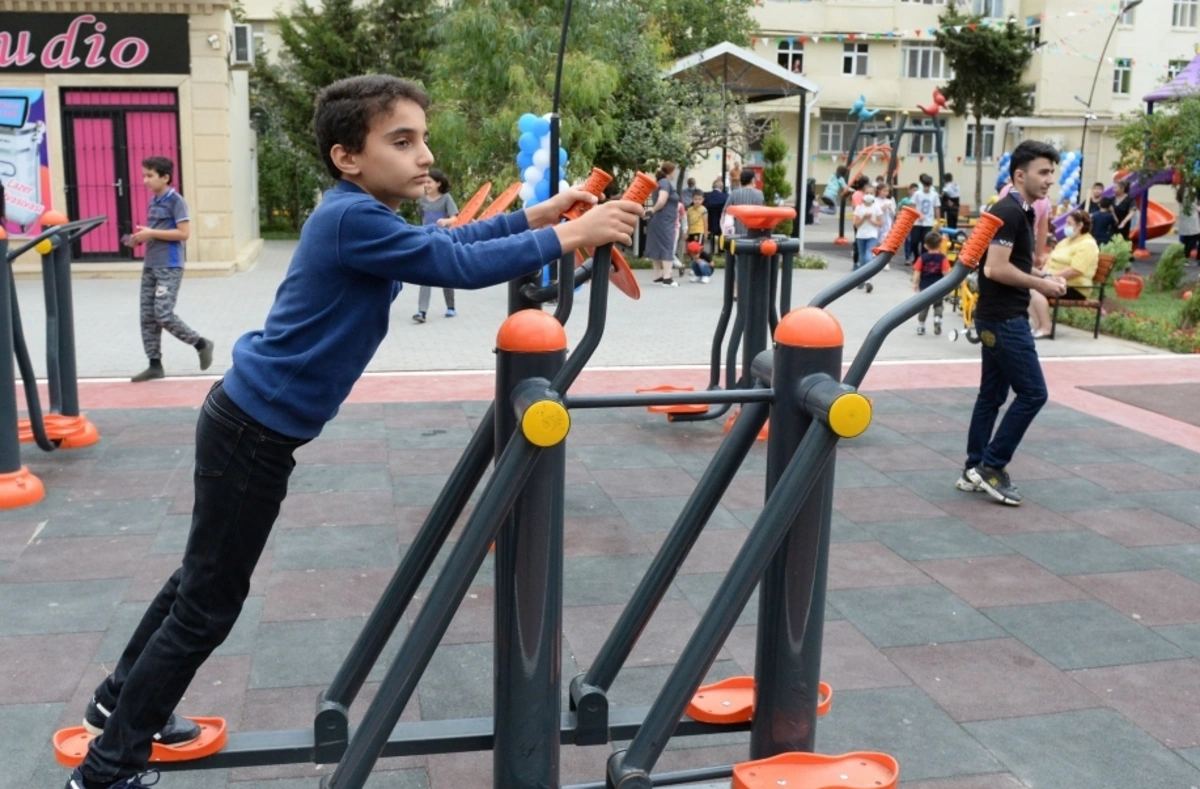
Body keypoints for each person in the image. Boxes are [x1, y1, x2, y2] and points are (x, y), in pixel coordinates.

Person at [61, 74, 642, 789]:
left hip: (249, 423)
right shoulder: (350, 220)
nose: (424, 154)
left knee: (197, 581)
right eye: (402, 141)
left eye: (423, 138)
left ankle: (118, 701)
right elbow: (455, 265)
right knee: (208, 604)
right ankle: (107, 765)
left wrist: (541, 215)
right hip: (253, 432)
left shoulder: (364, 216)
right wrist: (574, 233)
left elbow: (450, 240)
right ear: (347, 156)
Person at [959, 140, 1066, 506]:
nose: (1050, 179)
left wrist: (1042, 274)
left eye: (1052, 172)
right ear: (1020, 175)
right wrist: (1041, 285)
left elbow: (1012, 263)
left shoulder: (1018, 210)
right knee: (1034, 393)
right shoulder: (1009, 211)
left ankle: (974, 469)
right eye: (1043, 172)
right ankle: (992, 466)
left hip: (996, 315)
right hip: (1004, 320)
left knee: (991, 395)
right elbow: (995, 268)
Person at [128, 156, 213, 382]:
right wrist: (140, 238)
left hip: (170, 266)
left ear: (165, 177)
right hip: (151, 264)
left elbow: (184, 234)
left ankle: (200, 343)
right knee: (147, 317)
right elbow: (157, 232)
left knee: (163, 314)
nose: (145, 180)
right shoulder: (153, 201)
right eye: (144, 175)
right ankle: (154, 364)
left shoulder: (176, 201)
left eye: (149, 175)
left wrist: (151, 233)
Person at [1028, 209, 1099, 338]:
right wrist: (1043, 276)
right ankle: (1038, 326)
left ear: (1080, 225)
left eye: (1068, 223)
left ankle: (1046, 327)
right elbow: (1050, 261)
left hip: (1075, 287)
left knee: (1034, 289)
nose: (1065, 226)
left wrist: (1050, 279)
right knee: (1025, 285)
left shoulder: (1088, 244)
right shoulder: (1066, 241)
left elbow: (1075, 270)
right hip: (1056, 281)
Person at [413, 167, 458, 322]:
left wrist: (446, 221)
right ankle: (422, 311)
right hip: (427, 240)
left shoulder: (446, 198)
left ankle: (450, 307)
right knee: (425, 275)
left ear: (438, 183)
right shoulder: (422, 200)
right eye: (425, 182)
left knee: (445, 274)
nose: (426, 184)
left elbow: (455, 218)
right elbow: (422, 219)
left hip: (444, 240)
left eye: (429, 182)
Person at [644, 161, 681, 287]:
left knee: (657, 246)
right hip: (664, 220)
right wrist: (653, 210)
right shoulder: (665, 183)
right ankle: (667, 278)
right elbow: (661, 200)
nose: (675, 173)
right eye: (674, 170)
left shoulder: (659, 182)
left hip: (658, 220)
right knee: (667, 246)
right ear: (671, 171)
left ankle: (657, 275)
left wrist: (651, 212)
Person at [912, 230, 950, 335]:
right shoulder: (942, 258)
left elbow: (917, 272)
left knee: (923, 307)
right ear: (940, 245)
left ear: (925, 245)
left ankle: (921, 326)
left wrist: (915, 283)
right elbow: (945, 272)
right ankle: (937, 319)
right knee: (938, 305)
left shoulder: (922, 258)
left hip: (925, 287)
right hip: (939, 288)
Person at [722, 168, 765, 237]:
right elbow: (763, 213)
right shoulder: (759, 194)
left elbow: (725, 210)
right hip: (754, 231)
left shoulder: (734, 193)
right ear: (752, 180)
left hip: (737, 232)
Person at [852, 183, 882, 280]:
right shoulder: (859, 208)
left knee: (868, 255)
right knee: (862, 256)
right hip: (861, 235)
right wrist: (864, 218)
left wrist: (871, 220)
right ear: (863, 194)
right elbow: (856, 224)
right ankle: (861, 278)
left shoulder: (876, 208)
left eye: (871, 193)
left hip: (872, 235)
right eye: (867, 193)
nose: (869, 195)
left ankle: (869, 277)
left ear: (874, 194)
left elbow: (880, 223)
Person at [908, 173, 939, 264]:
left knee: (925, 243)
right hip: (917, 222)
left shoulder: (934, 195)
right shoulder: (917, 194)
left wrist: (938, 220)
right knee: (914, 241)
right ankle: (917, 256)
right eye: (925, 186)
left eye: (928, 186)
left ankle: (922, 261)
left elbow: (936, 207)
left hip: (928, 222)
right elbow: (912, 206)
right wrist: (917, 215)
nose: (927, 188)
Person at [1176, 187, 1200, 260]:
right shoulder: (1190, 190)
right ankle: (1185, 255)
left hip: (1187, 217)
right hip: (1191, 216)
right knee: (1195, 236)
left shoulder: (1183, 190)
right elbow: (1192, 204)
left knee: (1188, 237)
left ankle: (1184, 255)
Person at [704, 178, 727, 254]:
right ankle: (721, 250)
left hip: (708, 223)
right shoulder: (725, 197)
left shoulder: (706, 196)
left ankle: (710, 251)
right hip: (721, 224)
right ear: (721, 187)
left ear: (712, 187)